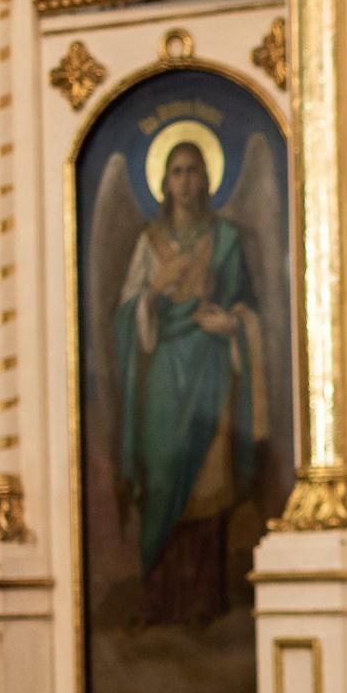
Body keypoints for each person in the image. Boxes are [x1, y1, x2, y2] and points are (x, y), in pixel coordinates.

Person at [114, 139, 268, 628]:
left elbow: (248, 305)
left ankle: (204, 598)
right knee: (163, 472)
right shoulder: (149, 243)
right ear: (164, 182)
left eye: (193, 170)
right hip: (164, 372)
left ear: (207, 179)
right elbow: (126, 315)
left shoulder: (225, 240)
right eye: (176, 171)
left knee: (208, 480)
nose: (185, 180)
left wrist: (234, 324)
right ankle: (158, 597)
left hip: (211, 364)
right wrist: (156, 290)